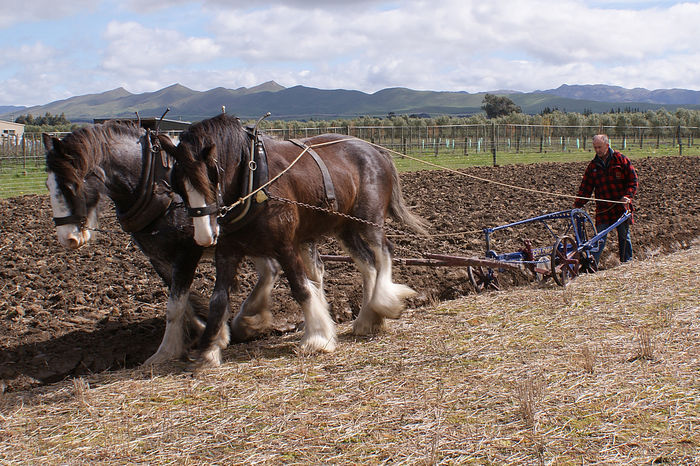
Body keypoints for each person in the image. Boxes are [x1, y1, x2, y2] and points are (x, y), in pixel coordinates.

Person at [573, 134, 638, 264]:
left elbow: (633, 180)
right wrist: (577, 205)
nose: (597, 150)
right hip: (603, 209)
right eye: (595, 147)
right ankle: (592, 267)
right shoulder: (593, 167)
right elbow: (586, 188)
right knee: (599, 239)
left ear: (607, 146)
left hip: (620, 207)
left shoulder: (621, 160)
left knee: (624, 237)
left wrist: (627, 196)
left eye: (600, 147)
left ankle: (627, 263)